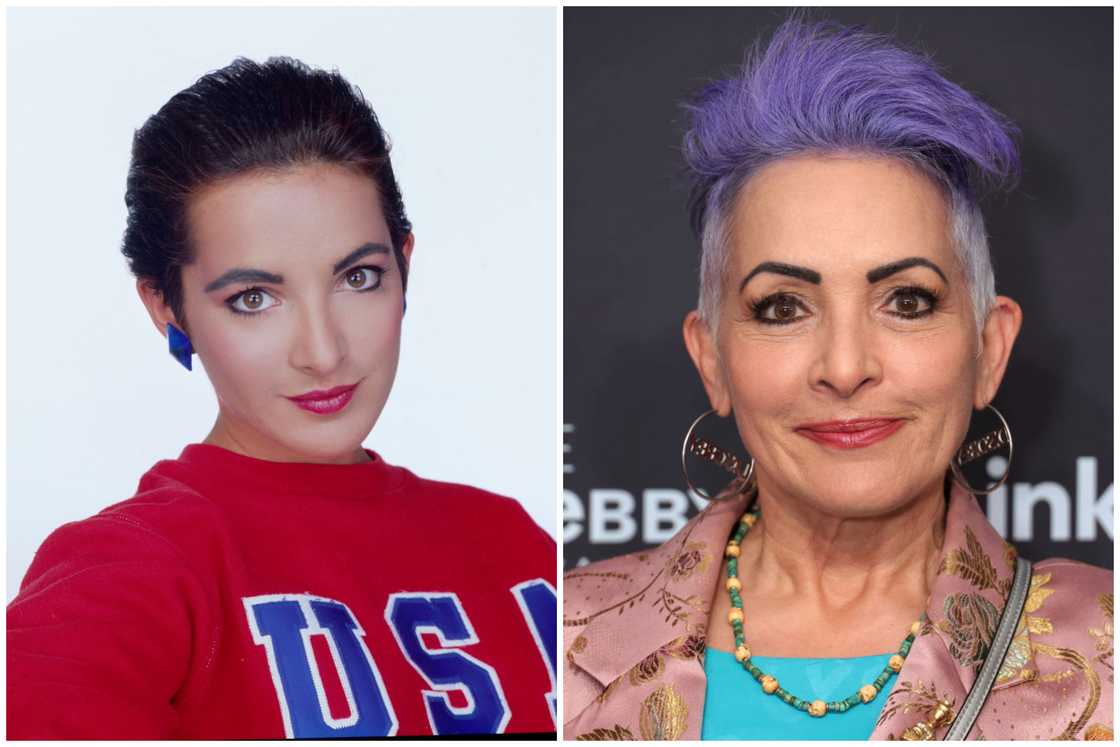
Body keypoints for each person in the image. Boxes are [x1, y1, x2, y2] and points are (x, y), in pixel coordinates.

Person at [563, 17, 1112, 741]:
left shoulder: (1103, 648)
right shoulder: (558, 639)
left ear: (989, 348)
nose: (846, 367)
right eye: (783, 307)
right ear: (711, 360)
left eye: (907, 301)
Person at [7, 57, 556, 739]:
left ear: (405, 263)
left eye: (358, 276)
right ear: (166, 307)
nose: (323, 351)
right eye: (254, 298)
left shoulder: (514, 544)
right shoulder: (127, 571)